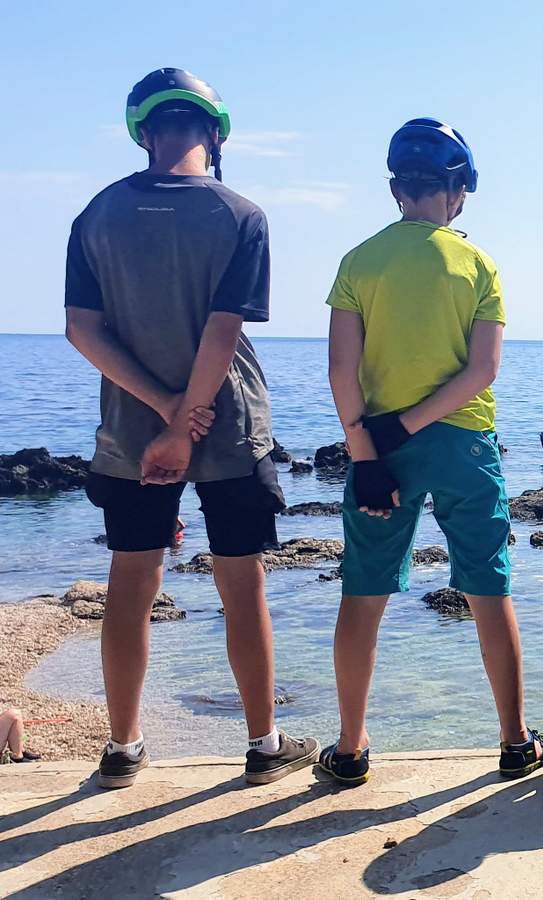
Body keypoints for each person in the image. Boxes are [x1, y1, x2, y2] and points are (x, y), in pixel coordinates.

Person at [64, 68, 315, 789]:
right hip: (228, 422)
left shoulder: (96, 215)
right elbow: (222, 329)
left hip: (128, 430)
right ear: (214, 130)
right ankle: (264, 745)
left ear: (143, 131)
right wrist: (186, 421)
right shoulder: (241, 215)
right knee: (242, 582)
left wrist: (162, 410)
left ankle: (122, 748)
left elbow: (82, 329)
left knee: (130, 583)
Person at [317, 117, 543, 786]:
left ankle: (351, 748)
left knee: (364, 591)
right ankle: (515, 741)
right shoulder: (478, 264)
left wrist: (369, 450)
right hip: (463, 444)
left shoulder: (359, 261)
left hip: (378, 449)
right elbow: (483, 371)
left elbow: (340, 371)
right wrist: (412, 424)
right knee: (488, 586)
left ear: (397, 189)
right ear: (458, 192)